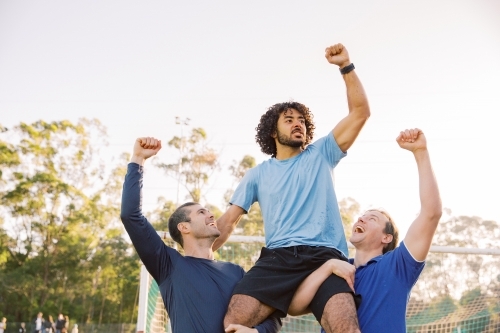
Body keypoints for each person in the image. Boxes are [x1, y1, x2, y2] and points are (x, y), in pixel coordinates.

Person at [213, 43, 370, 333]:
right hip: (278, 259)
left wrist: (345, 66)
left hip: (327, 256)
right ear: (273, 132)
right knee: (233, 323)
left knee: (347, 328)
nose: (298, 125)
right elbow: (228, 222)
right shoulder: (258, 175)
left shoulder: (322, 153)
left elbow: (360, 112)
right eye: (289, 120)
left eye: (301, 121)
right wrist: (198, 252)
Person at [119, 137, 281, 333]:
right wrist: (138, 159)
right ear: (184, 227)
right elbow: (130, 215)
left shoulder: (236, 272)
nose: (211, 214)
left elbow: (270, 314)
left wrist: (257, 332)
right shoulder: (168, 265)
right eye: (201, 212)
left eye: (208, 210)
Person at [288, 128, 442, 333]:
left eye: (372, 218)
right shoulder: (337, 270)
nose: (361, 218)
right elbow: (294, 307)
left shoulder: (398, 265)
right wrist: (328, 267)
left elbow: (431, 213)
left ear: (386, 237)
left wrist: (420, 152)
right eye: (362, 216)